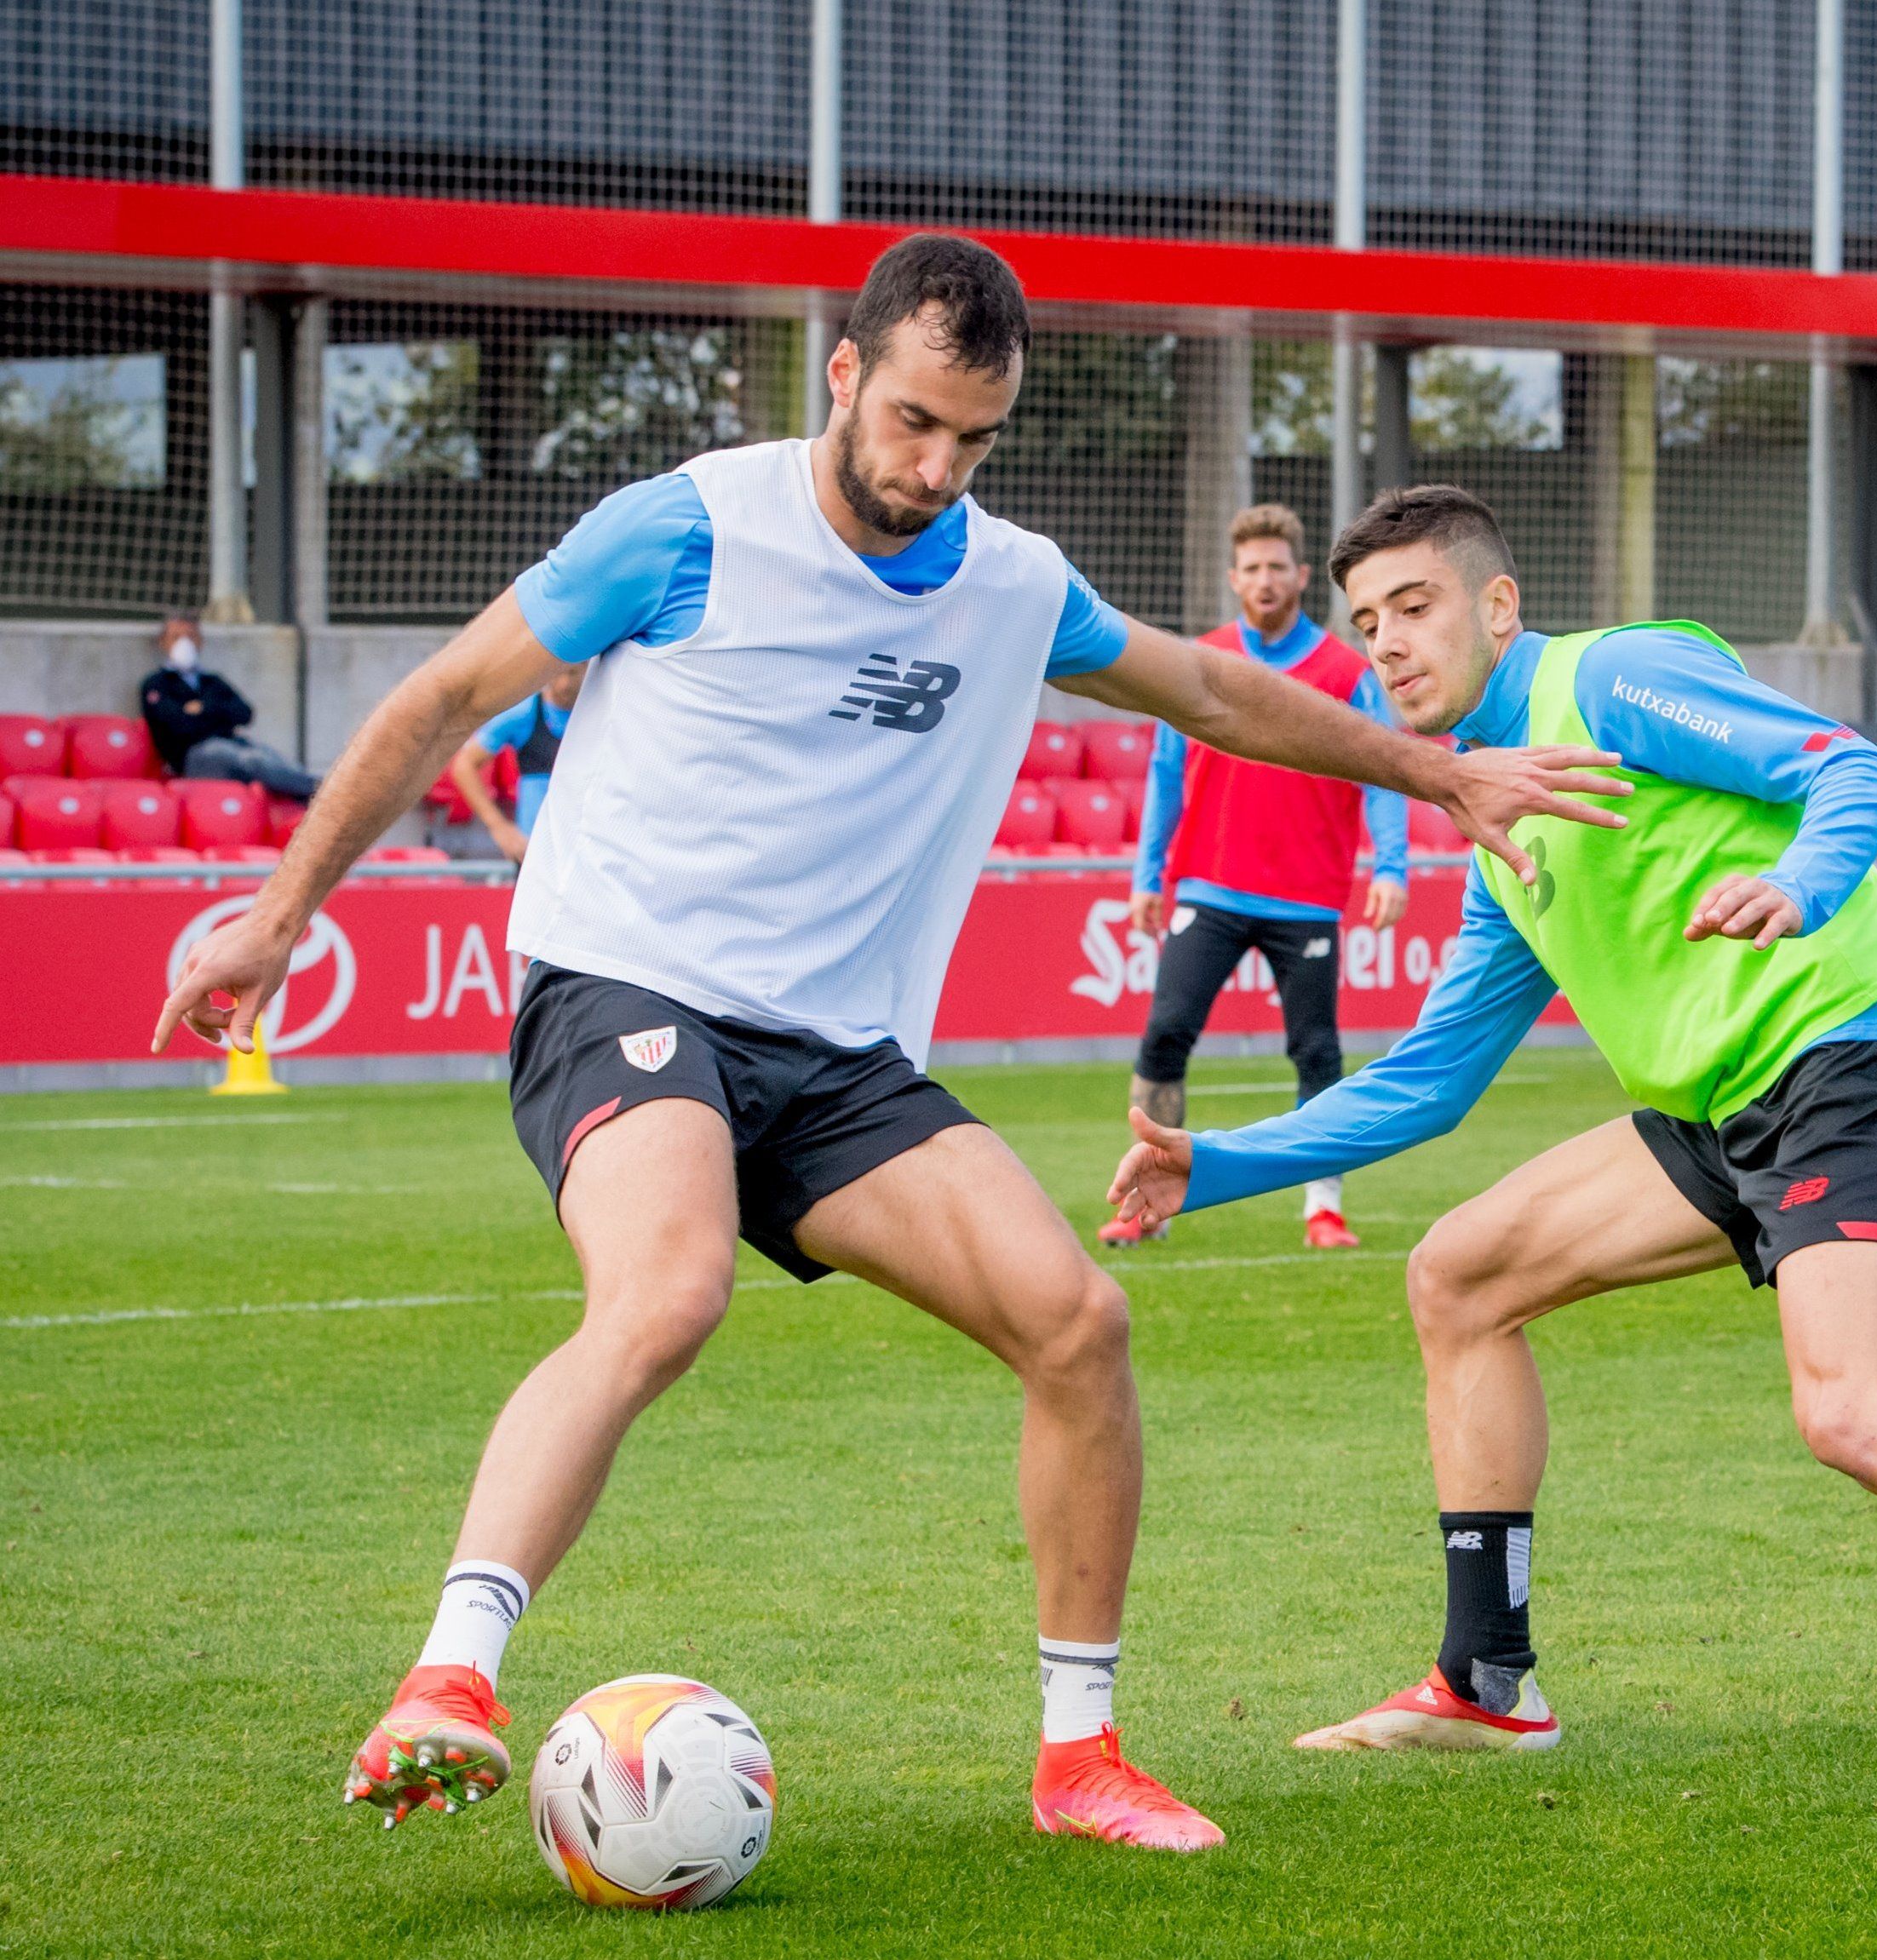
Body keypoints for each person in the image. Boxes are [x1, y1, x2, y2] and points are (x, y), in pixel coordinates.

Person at [154, 237, 1622, 1854]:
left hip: (836, 1053)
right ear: (844, 375)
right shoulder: (689, 524)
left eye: (973, 439)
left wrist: (1440, 773)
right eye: (914, 421)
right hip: (626, 988)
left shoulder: (1008, 579)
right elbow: (442, 695)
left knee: (1077, 1321)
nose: (935, 468)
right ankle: (450, 1679)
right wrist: (286, 912)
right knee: (666, 1288)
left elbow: (1207, 687)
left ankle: (1079, 1761)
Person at [1108, 486, 1877, 1823]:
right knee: (1458, 1272)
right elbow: (1424, 1086)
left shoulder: (1613, 678)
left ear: (1497, 605)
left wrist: (1802, 886)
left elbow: (1851, 769)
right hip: (1717, 1113)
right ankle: (1485, 1677)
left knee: (1852, 1406)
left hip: (1857, 1059)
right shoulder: (1501, 826)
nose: (1389, 646)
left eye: (1414, 608)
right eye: (1366, 627)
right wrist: (1218, 1161)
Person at [1107, 502, 1409, 1251]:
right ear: (1232, 578)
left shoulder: (1345, 672)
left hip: (1306, 896)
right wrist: (1149, 877)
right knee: (1165, 1036)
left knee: (1317, 1052)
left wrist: (1392, 866)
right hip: (1207, 888)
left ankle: (1322, 1209)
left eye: (1279, 567)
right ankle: (1145, 1202)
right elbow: (1165, 775)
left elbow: (1384, 775)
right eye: (1252, 568)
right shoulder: (1198, 660)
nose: (1265, 580)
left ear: (1303, 577)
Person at [139, 616, 321, 800]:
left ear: (200, 641)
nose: (185, 643)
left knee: (273, 758)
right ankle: (321, 791)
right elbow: (177, 725)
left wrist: (203, 709)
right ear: (163, 642)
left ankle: (313, 801)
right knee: (251, 760)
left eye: (191, 636)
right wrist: (218, 716)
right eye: (177, 637)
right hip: (193, 758)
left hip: (230, 745)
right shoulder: (157, 684)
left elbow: (245, 713)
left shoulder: (211, 681)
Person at [449, 664, 583, 863]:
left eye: (572, 673)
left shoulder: (605, 711)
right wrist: (498, 826)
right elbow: (463, 765)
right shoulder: (525, 712)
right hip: (535, 852)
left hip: (585, 849)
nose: (563, 684)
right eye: (557, 673)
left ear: (589, 667)